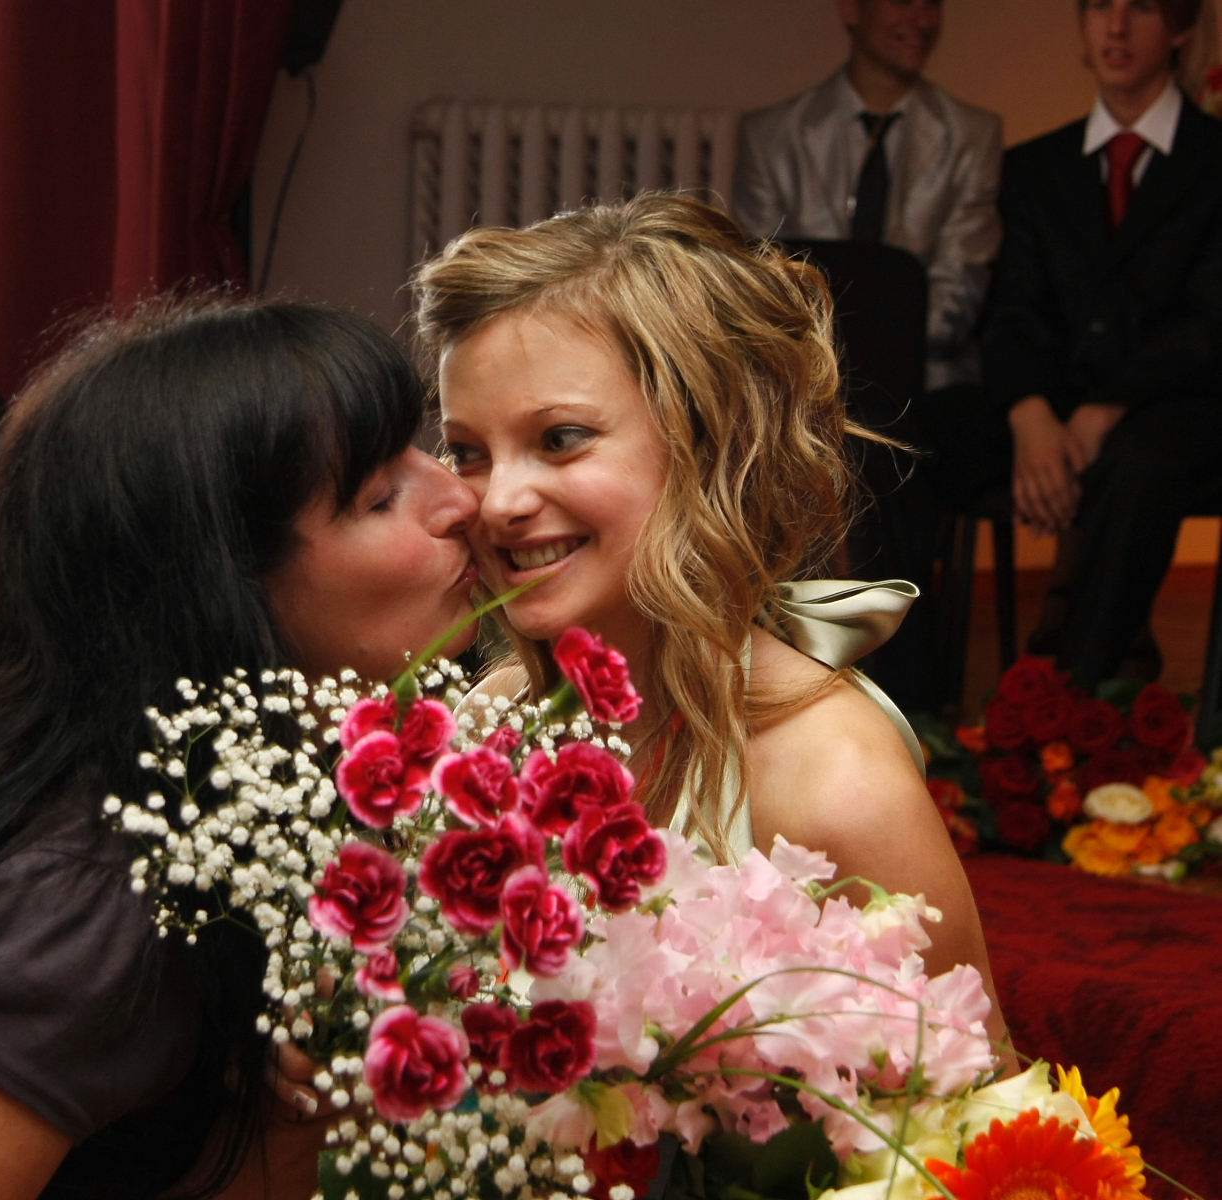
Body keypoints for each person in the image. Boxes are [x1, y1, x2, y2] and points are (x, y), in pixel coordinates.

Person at [0, 300, 482, 1200]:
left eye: (426, 451)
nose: (462, 498)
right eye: (380, 497)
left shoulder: (221, 790)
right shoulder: (80, 890)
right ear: (218, 590)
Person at [415, 196, 1007, 1017]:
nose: (499, 502)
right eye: (468, 452)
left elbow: (970, 1090)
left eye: (560, 438)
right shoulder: (492, 722)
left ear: (709, 440)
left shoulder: (837, 785)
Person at [732, 0, 1004, 711]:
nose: (921, 17)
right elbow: (757, 288)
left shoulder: (972, 133)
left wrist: (877, 353)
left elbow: (960, 288)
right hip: (802, 381)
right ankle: (774, 674)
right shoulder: (774, 132)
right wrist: (821, 373)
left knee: (887, 450)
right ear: (851, 10)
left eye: (932, 2)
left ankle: (902, 696)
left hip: (929, 378)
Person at [980, 0, 1222, 687]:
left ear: (1179, 29)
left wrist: (1107, 407)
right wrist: (1030, 416)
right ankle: (905, 699)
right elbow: (1011, 311)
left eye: (1139, 7)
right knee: (918, 435)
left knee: (1139, 464)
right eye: (1097, 7)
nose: (1115, 27)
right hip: (1055, 401)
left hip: (1180, 403)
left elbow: (1211, 324)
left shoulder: (1214, 160)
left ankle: (1075, 692)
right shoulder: (1034, 166)